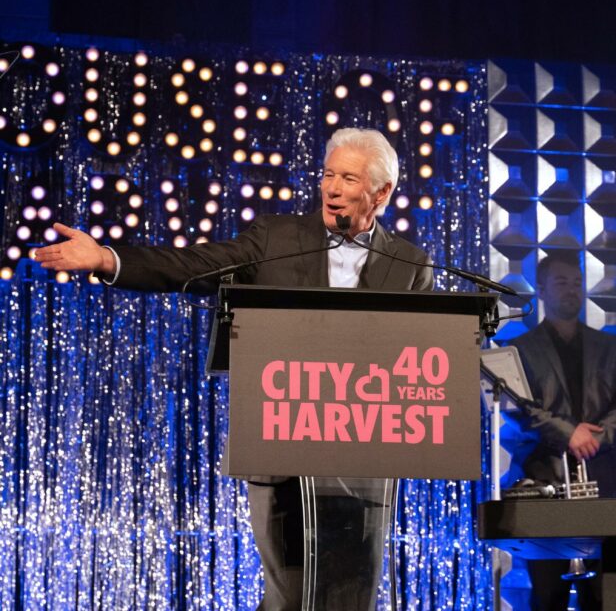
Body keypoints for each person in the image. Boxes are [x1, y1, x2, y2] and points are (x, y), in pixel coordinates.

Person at [35, 127, 433, 610]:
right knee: (288, 595)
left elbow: (418, 359)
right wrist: (107, 259)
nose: (331, 188)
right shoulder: (277, 238)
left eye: (348, 178)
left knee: (351, 597)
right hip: (282, 442)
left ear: (381, 192)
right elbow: (195, 265)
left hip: (366, 456)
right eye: (328, 175)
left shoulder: (409, 263)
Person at [510, 250, 616, 610]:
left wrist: (597, 437)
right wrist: (568, 433)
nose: (572, 290)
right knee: (547, 596)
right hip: (545, 483)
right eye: (561, 282)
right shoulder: (519, 350)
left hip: (605, 482)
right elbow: (521, 409)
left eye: (577, 283)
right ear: (540, 289)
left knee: (604, 595)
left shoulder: (609, 347)